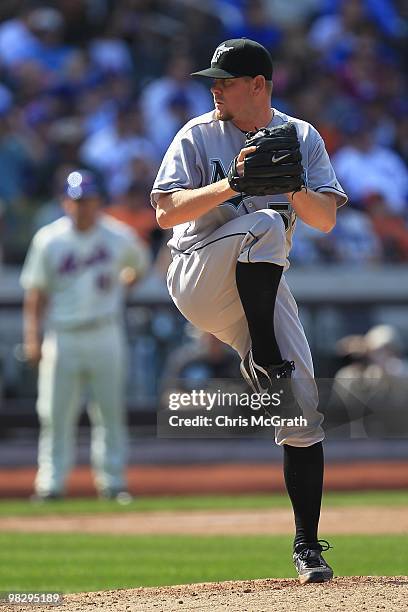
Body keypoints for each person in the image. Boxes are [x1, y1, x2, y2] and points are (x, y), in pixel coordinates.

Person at [151, 38, 347, 583]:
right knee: (262, 225)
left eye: (226, 81)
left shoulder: (301, 135)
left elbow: (325, 218)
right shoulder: (197, 134)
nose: (214, 88)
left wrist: (293, 185)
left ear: (258, 84)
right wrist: (231, 183)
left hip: (259, 284)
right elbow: (165, 213)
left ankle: (308, 547)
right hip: (198, 271)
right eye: (212, 81)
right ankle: (264, 356)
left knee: (302, 406)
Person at [21, 169, 150, 501]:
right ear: (66, 202)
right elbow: (36, 294)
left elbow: (140, 265)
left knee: (109, 411)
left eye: (89, 200)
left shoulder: (117, 236)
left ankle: (112, 482)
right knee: (54, 413)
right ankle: (50, 483)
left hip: (105, 329)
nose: (83, 207)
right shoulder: (49, 239)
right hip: (63, 334)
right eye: (78, 201)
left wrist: (124, 286)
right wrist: (33, 339)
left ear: (99, 202)